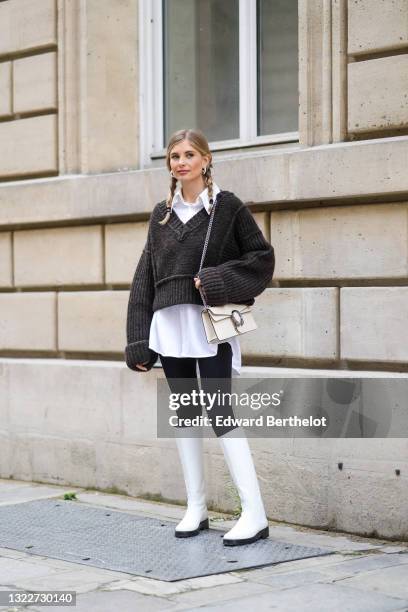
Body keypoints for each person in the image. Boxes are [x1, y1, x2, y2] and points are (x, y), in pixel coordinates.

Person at [125, 128, 275, 546]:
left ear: (206, 159)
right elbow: (144, 279)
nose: (181, 162)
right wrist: (137, 338)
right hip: (169, 326)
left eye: (190, 154)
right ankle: (196, 507)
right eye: (174, 155)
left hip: (210, 325)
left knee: (219, 413)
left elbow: (262, 259)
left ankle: (255, 513)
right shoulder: (162, 214)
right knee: (187, 414)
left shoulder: (226, 208)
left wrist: (214, 280)